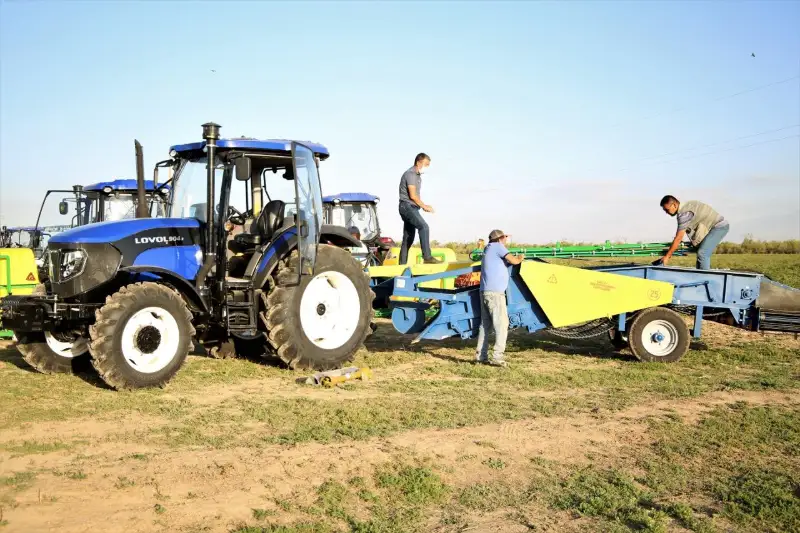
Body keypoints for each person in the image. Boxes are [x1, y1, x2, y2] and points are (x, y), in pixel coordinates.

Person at [475, 229, 525, 367]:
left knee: (485, 326)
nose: (505, 240)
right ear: (500, 238)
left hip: (484, 291)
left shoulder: (488, 248)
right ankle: (497, 357)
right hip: (495, 294)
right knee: (502, 325)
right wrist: (520, 257)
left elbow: (501, 263)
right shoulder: (498, 247)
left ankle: (481, 356)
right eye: (504, 238)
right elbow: (514, 261)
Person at [659, 195, 730, 270]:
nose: (666, 212)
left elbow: (678, 238)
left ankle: (704, 278)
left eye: (667, 210)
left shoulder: (683, 214)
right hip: (714, 227)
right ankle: (699, 274)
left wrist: (667, 256)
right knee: (700, 252)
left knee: (702, 253)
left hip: (719, 226)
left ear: (674, 205)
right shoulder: (687, 205)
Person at [398, 153, 442, 265]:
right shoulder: (411, 174)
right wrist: (424, 206)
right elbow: (413, 196)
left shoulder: (417, 177)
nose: (427, 167)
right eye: (426, 164)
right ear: (419, 162)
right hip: (407, 206)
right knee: (424, 227)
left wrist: (420, 206)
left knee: (408, 238)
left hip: (410, 207)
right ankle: (427, 256)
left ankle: (401, 266)